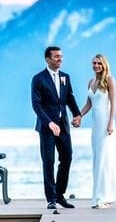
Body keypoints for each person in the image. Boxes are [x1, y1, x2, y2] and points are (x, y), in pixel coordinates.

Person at [31, 45, 82, 209]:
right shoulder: (38, 79)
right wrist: (49, 123)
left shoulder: (65, 77)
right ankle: (51, 199)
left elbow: (70, 98)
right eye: (57, 57)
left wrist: (77, 115)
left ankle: (60, 194)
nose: (60, 59)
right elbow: (36, 105)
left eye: (61, 56)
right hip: (47, 127)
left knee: (67, 157)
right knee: (48, 161)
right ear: (48, 59)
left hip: (63, 126)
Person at [79, 53, 116, 208]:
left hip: (106, 124)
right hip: (95, 126)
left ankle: (101, 197)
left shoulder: (109, 80)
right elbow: (88, 104)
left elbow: (114, 103)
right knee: (98, 158)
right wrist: (79, 116)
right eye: (94, 63)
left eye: (99, 63)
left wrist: (111, 122)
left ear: (104, 64)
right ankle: (102, 195)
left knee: (104, 159)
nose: (96, 65)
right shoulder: (91, 82)